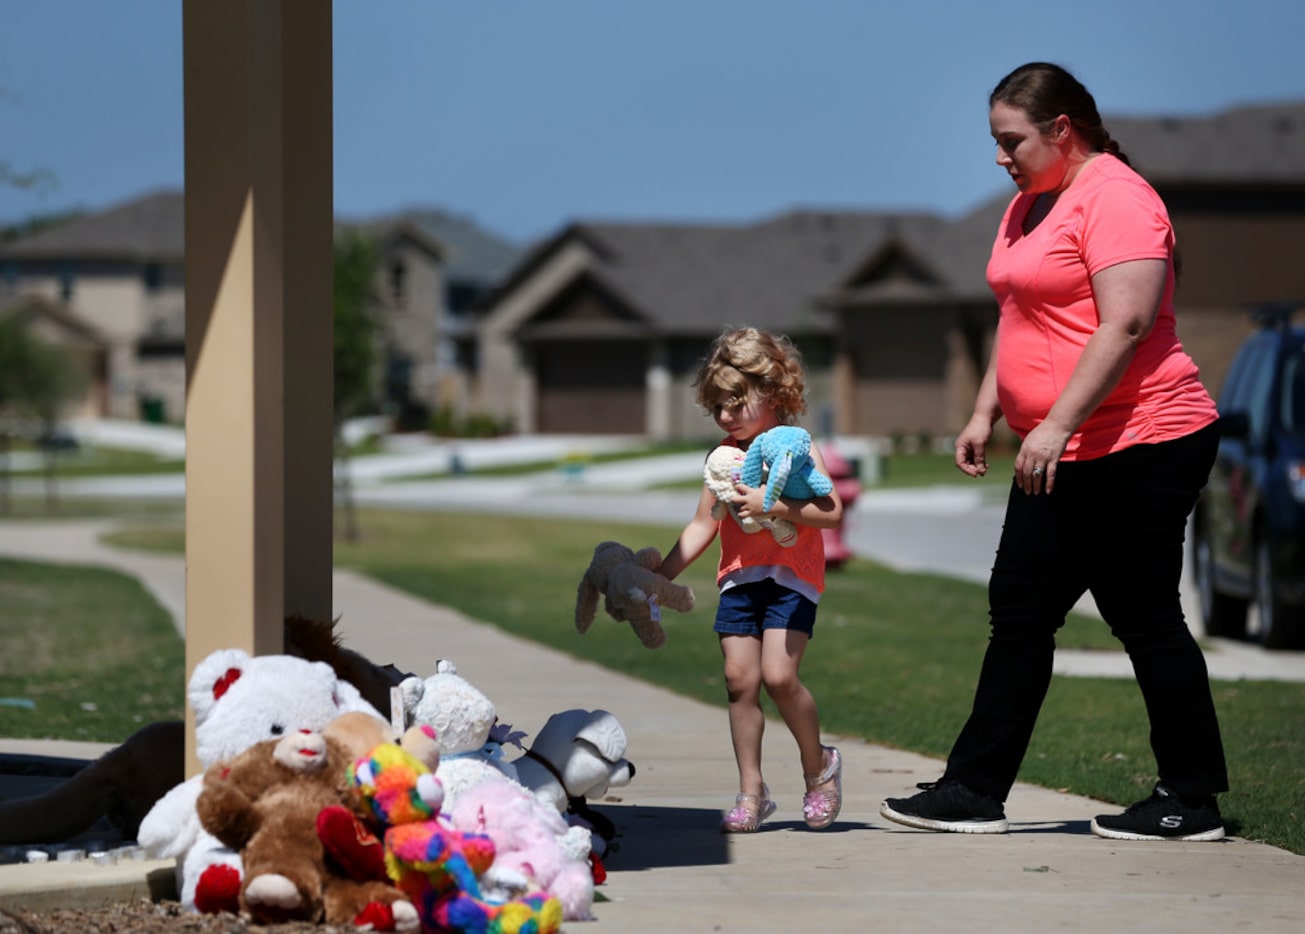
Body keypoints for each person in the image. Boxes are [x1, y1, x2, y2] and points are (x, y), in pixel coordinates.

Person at [879, 62, 1229, 841]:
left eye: (1012, 140)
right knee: (1019, 610)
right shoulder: (1030, 203)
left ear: (1061, 130)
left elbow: (1125, 325)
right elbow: (1018, 313)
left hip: (1143, 436)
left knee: (1140, 612)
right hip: (1060, 447)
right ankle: (973, 790)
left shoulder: (1118, 200)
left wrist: (1055, 423)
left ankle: (1190, 797)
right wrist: (986, 410)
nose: (999, 157)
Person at [656, 326, 845, 833]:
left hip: (792, 576)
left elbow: (830, 511)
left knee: (781, 678)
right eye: (717, 405)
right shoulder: (722, 459)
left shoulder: (796, 447)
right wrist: (660, 575)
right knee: (741, 682)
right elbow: (704, 522)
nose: (725, 416)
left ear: (775, 392)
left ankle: (818, 767)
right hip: (741, 578)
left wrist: (775, 504)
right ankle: (752, 792)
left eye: (736, 402)